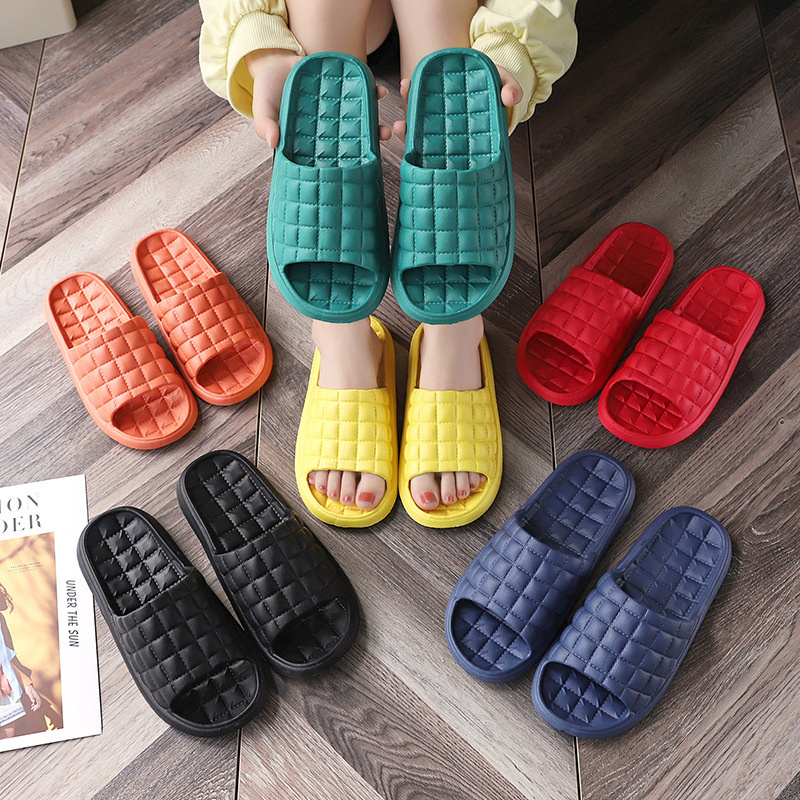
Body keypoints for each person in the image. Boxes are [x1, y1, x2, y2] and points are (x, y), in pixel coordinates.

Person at [198, 0, 577, 522]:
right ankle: (343, 333)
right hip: (345, 20)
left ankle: (450, 329)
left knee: (453, 68)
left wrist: (508, 49)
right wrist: (261, 45)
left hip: (467, 20)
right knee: (322, 38)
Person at [0, 583, 41, 739]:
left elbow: (8, 656)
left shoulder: (0, 619)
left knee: (9, 746)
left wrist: (27, 684)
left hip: (5, 694)